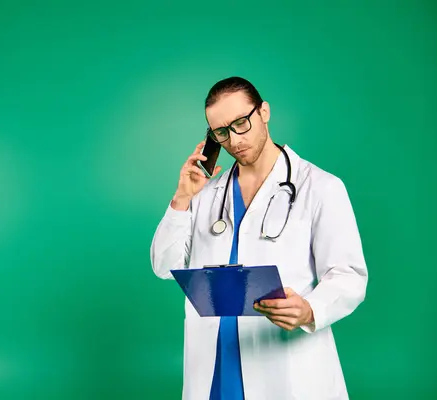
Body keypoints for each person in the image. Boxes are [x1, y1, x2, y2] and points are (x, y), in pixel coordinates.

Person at [150, 76, 368, 400]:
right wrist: (182, 197)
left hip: (283, 363)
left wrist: (310, 309)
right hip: (215, 365)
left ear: (264, 112)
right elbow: (164, 265)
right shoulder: (205, 193)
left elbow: (349, 276)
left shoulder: (320, 187)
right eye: (221, 132)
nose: (234, 139)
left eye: (241, 123)